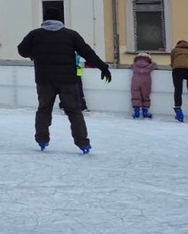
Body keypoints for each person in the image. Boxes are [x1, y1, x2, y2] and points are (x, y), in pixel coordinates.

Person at [16, 17, 110, 153]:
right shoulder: (71, 34)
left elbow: (22, 51)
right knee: (74, 111)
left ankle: (42, 139)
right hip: (68, 81)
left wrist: (34, 53)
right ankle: (82, 142)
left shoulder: (35, 34)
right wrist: (103, 67)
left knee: (44, 109)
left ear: (44, 20)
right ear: (61, 20)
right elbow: (87, 52)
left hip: (44, 80)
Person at [130, 52, 154, 120]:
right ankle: (145, 112)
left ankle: (136, 112)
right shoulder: (150, 66)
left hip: (135, 81)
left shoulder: (134, 65)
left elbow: (130, 67)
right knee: (145, 96)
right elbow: (154, 66)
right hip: (146, 82)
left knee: (135, 95)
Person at [172, 39, 188, 123]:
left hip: (177, 70)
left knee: (178, 90)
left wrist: (173, 65)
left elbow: (172, 61)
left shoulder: (175, 50)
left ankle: (178, 112)